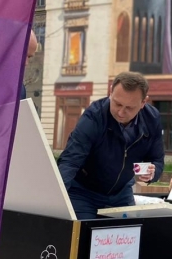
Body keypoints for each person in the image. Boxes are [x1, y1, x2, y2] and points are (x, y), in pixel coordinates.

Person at [57, 72, 164, 219]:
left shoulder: (152, 118)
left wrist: (153, 172)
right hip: (84, 192)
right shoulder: (93, 116)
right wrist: (56, 196)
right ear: (110, 91)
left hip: (122, 192)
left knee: (127, 232)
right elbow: (71, 160)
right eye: (117, 103)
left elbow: (157, 160)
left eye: (129, 108)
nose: (121, 112)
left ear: (143, 102)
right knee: (85, 232)